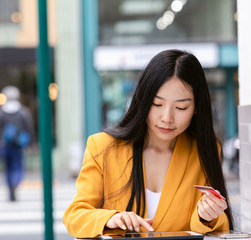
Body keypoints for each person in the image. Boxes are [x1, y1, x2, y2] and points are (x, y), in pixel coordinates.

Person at [63, 50, 233, 238]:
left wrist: (207, 217)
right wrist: (110, 218)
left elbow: (222, 228)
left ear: (196, 109)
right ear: (143, 101)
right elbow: (75, 215)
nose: (167, 118)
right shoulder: (103, 147)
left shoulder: (204, 150)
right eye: (157, 104)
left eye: (181, 107)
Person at [0, 86, 34, 201]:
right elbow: (29, 128)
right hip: (19, 145)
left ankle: (10, 188)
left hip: (4, 144)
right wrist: (31, 142)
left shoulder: (0, 112)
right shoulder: (23, 111)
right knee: (18, 166)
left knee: (7, 168)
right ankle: (16, 182)